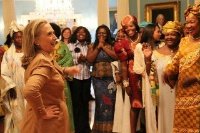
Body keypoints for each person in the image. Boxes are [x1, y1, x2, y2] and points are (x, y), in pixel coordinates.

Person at [20, 19, 80, 133]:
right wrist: (42, 112)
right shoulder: (43, 61)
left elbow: (50, 73)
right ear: (36, 40)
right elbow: (30, 90)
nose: (55, 37)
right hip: (47, 124)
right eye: (49, 34)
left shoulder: (43, 56)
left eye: (53, 33)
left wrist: (65, 70)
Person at [163, 3, 200, 132]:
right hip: (182, 95)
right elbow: (177, 60)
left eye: (192, 22)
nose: (188, 26)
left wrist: (195, 77)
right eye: (187, 22)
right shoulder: (184, 41)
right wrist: (168, 70)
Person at [151, 21, 183, 133]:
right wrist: (146, 60)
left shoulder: (184, 52)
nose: (169, 37)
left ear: (179, 35)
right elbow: (151, 77)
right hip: (163, 96)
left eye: (173, 34)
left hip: (181, 95)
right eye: (167, 34)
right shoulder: (155, 54)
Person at [87, 24, 118, 133]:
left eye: (104, 33)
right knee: (100, 103)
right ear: (96, 34)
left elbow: (116, 56)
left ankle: (111, 128)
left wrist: (104, 47)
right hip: (97, 79)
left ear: (107, 34)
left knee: (111, 103)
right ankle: (99, 128)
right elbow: (90, 60)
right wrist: (98, 47)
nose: (101, 35)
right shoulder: (92, 46)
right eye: (99, 33)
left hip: (110, 79)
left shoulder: (113, 44)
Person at [114, 15, 142, 133]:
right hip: (133, 76)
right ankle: (132, 131)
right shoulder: (122, 45)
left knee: (152, 103)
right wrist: (126, 84)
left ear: (136, 25)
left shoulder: (144, 37)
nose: (129, 29)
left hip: (148, 74)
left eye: (131, 26)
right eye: (126, 27)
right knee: (135, 105)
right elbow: (124, 66)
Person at [1, 21, 25, 133]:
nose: (20, 39)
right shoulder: (8, 54)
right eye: (17, 37)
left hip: (28, 87)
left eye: (22, 36)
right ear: (13, 39)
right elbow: (4, 72)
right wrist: (10, 87)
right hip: (14, 89)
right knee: (17, 114)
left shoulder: (30, 52)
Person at [50, 23, 75, 133]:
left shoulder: (62, 45)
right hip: (47, 81)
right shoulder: (42, 47)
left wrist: (58, 69)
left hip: (61, 80)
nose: (53, 36)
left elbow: (69, 60)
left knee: (64, 106)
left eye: (54, 32)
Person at [67, 26, 92, 133]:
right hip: (75, 78)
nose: (81, 34)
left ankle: (86, 127)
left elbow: (91, 60)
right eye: (78, 32)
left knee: (85, 102)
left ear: (86, 34)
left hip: (86, 77)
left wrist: (86, 59)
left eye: (83, 32)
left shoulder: (90, 46)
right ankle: (77, 127)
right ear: (75, 34)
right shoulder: (70, 46)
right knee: (76, 103)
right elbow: (68, 62)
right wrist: (78, 60)